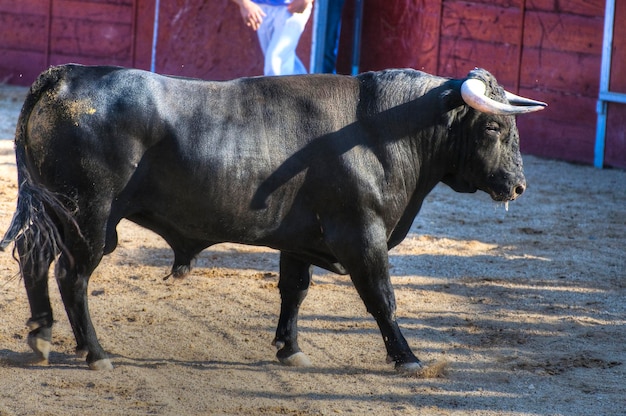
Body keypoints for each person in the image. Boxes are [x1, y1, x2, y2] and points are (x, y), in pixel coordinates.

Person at [231, 0, 313, 76]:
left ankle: (277, 91)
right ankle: (308, 90)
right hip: (260, 9)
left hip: (291, 7)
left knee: (275, 62)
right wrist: (245, 4)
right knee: (286, 61)